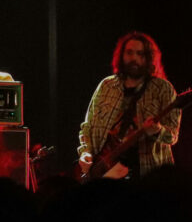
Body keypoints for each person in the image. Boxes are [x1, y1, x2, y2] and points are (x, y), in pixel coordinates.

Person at [77, 31, 179, 180]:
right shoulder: (106, 86)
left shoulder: (163, 89)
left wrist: (158, 131)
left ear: (149, 57)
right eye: (129, 53)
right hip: (106, 172)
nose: (134, 58)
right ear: (121, 55)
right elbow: (88, 127)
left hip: (147, 174)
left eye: (140, 54)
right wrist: (85, 153)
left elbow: (173, 135)